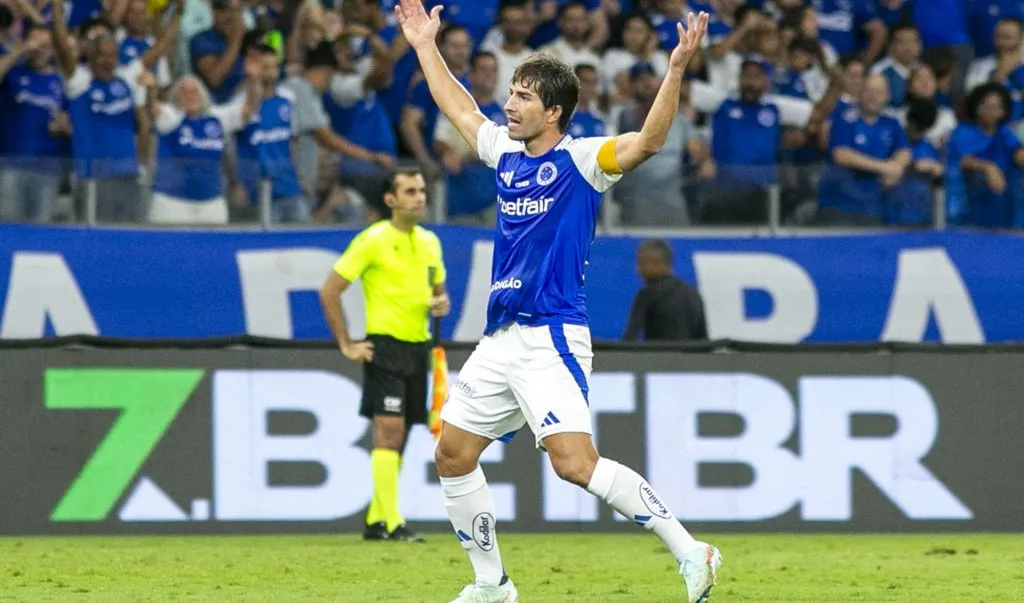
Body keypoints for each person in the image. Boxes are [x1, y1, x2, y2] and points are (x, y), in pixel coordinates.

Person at [393, 1, 720, 601]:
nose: (508, 105)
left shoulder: (582, 161)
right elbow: (460, 107)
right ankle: (492, 584)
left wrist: (675, 70)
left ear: (554, 112)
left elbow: (647, 142)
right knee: (452, 452)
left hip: (551, 336)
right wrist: (424, 46)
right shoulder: (504, 152)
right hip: (499, 338)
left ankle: (690, 548)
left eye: (521, 97)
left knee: (574, 465)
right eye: (511, 93)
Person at [318, 167, 450, 543]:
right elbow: (330, 290)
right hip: (386, 346)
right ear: (390, 200)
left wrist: (440, 303)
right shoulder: (372, 240)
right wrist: (347, 343)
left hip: (417, 346)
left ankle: (377, 519)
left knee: (402, 433)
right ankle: (394, 523)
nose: (419, 197)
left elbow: (438, 292)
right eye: (410, 191)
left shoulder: (429, 242)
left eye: (422, 190)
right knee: (389, 431)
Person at [141, 70, 259, 225]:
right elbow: (153, 110)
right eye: (184, 92)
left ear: (203, 95)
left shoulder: (217, 118)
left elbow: (248, 110)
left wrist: (254, 78)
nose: (190, 96)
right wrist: (151, 90)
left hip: (211, 203)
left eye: (194, 92)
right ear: (176, 97)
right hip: (171, 202)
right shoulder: (171, 117)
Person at [623, 239, 708, 342]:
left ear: (657, 262)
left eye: (641, 263)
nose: (638, 269)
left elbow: (630, 337)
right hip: (690, 357)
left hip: (657, 356)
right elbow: (703, 340)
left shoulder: (647, 294)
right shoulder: (693, 294)